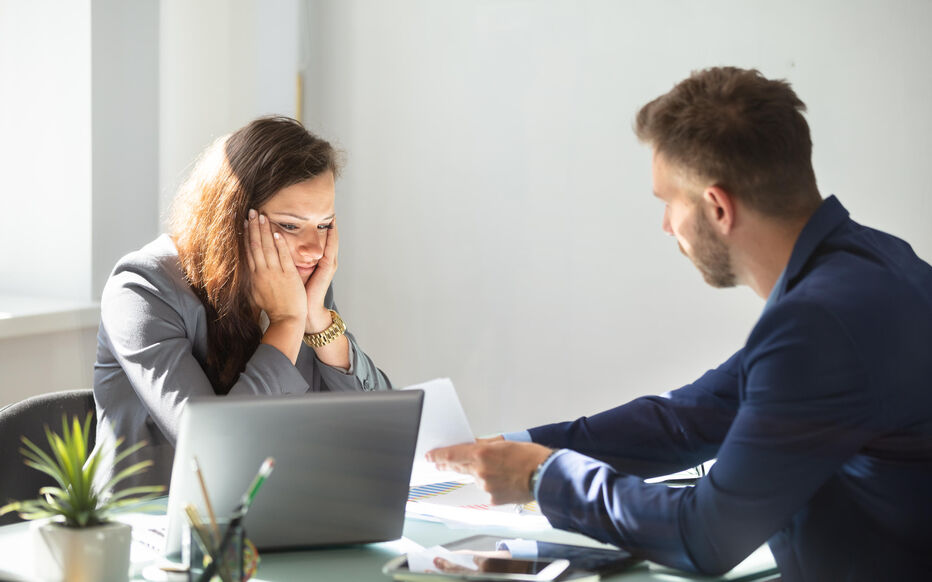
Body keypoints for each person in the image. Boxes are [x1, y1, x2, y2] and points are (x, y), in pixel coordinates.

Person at [427, 67, 932, 580]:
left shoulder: (816, 324)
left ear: (717, 207)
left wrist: (540, 476)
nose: (666, 225)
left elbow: (706, 536)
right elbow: (689, 417)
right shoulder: (872, 266)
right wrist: (514, 446)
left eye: (668, 202)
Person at [94, 116, 391, 488]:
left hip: (268, 515)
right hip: (144, 528)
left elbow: (382, 431)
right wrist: (285, 323)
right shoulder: (141, 288)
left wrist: (317, 321)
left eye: (324, 224)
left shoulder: (302, 283)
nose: (315, 249)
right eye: (290, 225)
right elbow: (212, 452)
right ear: (231, 220)